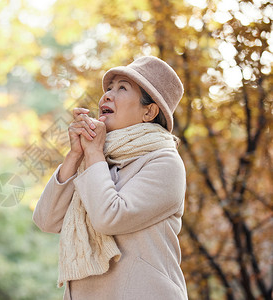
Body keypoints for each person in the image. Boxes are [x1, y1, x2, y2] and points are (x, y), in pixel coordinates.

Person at [33, 56, 188, 300]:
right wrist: (75, 155)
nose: (106, 95)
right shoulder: (96, 159)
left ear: (149, 111)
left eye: (122, 88)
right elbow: (46, 220)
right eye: (108, 88)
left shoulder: (164, 163)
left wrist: (94, 152)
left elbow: (109, 217)